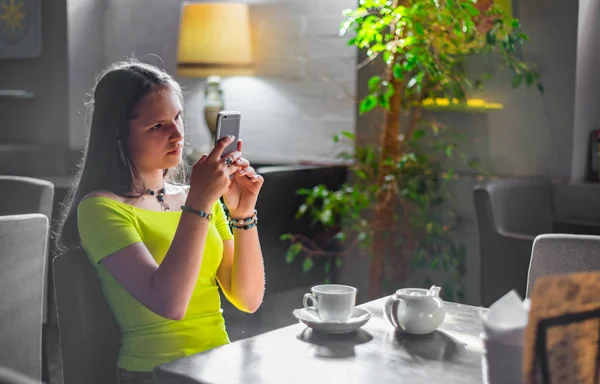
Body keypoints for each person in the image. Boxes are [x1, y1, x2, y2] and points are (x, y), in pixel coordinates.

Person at [55, 59, 265, 384]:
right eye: (158, 126)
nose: (178, 134)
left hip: (219, 364)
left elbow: (248, 300)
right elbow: (170, 304)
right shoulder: (100, 209)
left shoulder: (198, 198)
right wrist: (200, 202)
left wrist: (243, 214)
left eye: (178, 118)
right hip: (156, 373)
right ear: (118, 134)